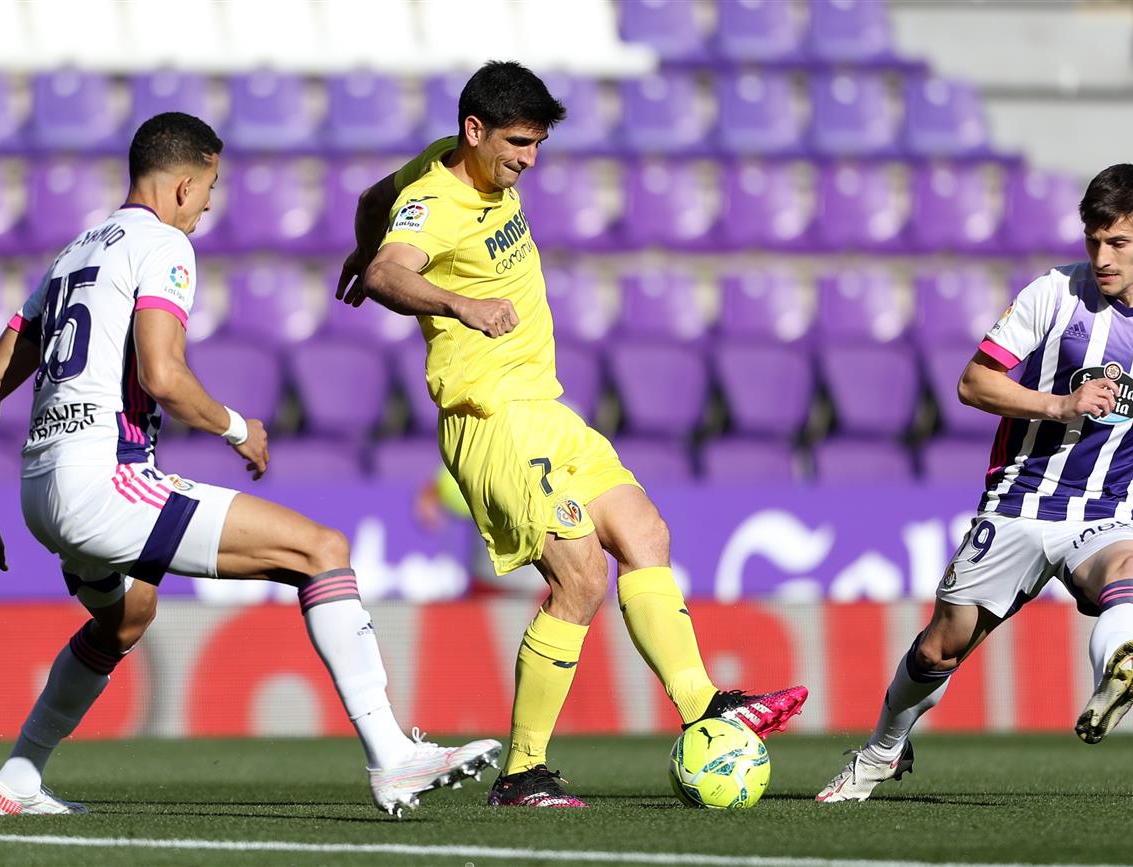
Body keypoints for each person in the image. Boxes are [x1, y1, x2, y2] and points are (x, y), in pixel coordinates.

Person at [0, 112, 499, 818]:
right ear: (183, 183)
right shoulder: (164, 246)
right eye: (209, 187)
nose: (209, 204)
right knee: (321, 550)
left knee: (126, 616)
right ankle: (393, 757)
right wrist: (238, 427)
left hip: (39, 488)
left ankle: (17, 778)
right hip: (105, 481)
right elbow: (162, 374)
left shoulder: (73, 254)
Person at [337, 61, 807, 808]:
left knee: (644, 531)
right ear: (475, 130)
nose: (528, 161)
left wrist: (363, 249)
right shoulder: (437, 198)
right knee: (580, 576)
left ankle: (702, 705)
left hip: (545, 410)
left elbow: (372, 202)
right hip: (489, 418)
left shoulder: (434, 160)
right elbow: (397, 272)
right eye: (517, 143)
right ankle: (522, 772)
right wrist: (452, 300)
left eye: (537, 144)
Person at [815, 164, 1133, 804]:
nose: (1102, 257)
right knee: (942, 646)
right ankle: (883, 751)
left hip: (1111, 510)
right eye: (1093, 241)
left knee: (1131, 563)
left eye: (1119, 243)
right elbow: (973, 383)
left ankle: (1116, 671)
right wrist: (1060, 405)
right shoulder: (1053, 294)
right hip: (1021, 501)